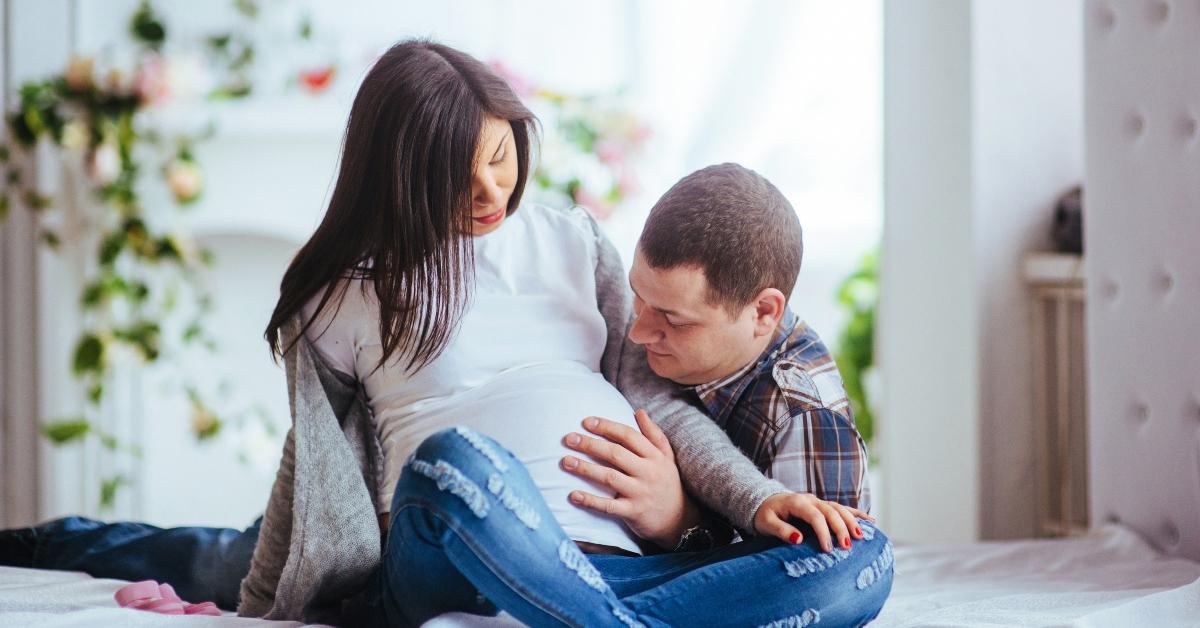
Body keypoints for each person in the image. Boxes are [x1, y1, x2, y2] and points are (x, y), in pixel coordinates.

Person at [1, 40, 893, 627]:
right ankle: (39, 541)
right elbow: (311, 465)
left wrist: (747, 502)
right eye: (457, 179)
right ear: (396, 179)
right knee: (454, 462)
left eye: (502, 157)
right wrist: (267, 602)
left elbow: (651, 394)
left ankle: (610, 624)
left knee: (863, 560)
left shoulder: (572, 238)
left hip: (604, 572)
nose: (491, 194)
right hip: (445, 551)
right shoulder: (341, 298)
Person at [557, 163, 872, 547]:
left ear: (763, 313)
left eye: (674, 321)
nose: (637, 333)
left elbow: (812, 585)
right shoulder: (656, 334)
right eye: (639, 296)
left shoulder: (803, 416)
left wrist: (678, 521)